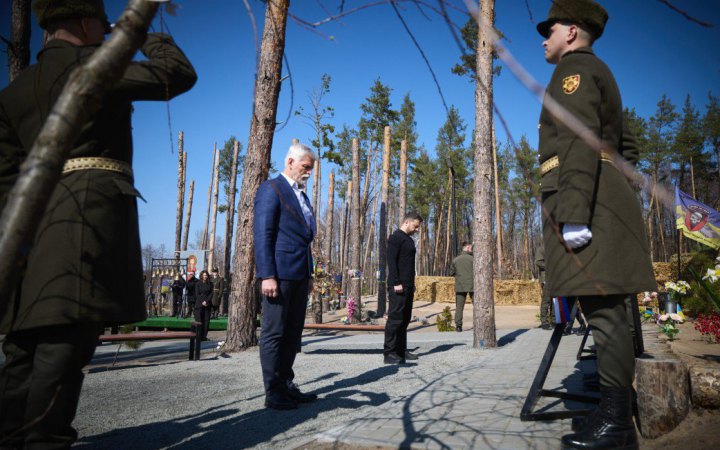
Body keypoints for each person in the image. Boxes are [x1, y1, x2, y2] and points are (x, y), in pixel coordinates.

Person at [0, 1, 197, 447]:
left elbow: (4, 181)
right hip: (86, 224)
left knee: (23, 345)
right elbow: (177, 73)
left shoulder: (14, 92)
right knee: (63, 345)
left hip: (27, 234)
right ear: (89, 22)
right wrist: (135, 31)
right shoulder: (93, 65)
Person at [535, 1, 656, 449]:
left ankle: (616, 424)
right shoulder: (599, 71)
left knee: (605, 315)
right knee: (607, 313)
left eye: (549, 30)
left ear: (571, 32)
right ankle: (614, 414)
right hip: (602, 203)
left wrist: (574, 212)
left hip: (587, 207)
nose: (543, 38)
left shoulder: (576, 71)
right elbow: (626, 146)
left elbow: (579, 139)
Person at [254, 143, 318, 410]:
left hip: (300, 273)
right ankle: (273, 391)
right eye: (306, 167)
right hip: (278, 275)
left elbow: (304, 239)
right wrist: (267, 275)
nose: (309, 173)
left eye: (311, 169)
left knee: (293, 333)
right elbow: (263, 234)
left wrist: (309, 273)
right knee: (274, 332)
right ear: (291, 161)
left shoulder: (302, 196)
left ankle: (287, 383)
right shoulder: (272, 188)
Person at [383, 211, 423, 364]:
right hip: (398, 286)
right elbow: (391, 262)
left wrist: (411, 285)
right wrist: (395, 283)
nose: (417, 229)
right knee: (395, 319)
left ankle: (401, 350)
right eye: (415, 226)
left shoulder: (409, 239)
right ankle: (390, 353)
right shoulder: (395, 238)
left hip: (408, 285)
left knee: (405, 319)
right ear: (407, 222)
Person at [449, 241, 473, 332]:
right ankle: (479, 324)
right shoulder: (473, 259)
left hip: (460, 286)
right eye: (470, 248)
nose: (471, 250)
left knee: (459, 307)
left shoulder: (455, 260)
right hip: (473, 286)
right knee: (477, 306)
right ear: (467, 248)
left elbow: (451, 273)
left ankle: (458, 326)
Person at [534, 245, 553, 330]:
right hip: (546, 279)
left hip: (557, 278)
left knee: (555, 301)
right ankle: (544, 322)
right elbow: (538, 262)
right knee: (546, 300)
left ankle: (554, 321)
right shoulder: (542, 248)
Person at [194, 270, 213, 341]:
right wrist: (202, 301)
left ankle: (204, 337)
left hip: (207, 304)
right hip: (199, 304)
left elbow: (211, 293)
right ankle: (198, 336)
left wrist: (206, 301)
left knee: (206, 321)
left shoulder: (210, 284)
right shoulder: (198, 284)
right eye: (204, 275)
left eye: (206, 275)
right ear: (201, 276)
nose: (205, 276)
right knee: (199, 321)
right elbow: (197, 294)